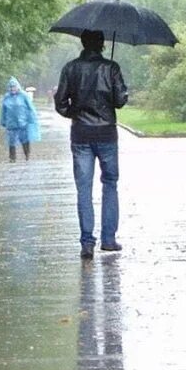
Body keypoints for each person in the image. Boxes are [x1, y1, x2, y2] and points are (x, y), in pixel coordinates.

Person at [54, 30, 129, 259]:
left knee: (84, 189)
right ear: (102, 45)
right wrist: (123, 93)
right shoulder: (112, 68)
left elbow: (60, 102)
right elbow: (119, 100)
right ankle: (108, 240)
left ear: (83, 43)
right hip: (106, 134)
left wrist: (76, 113)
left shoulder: (70, 68)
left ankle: (87, 243)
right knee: (110, 184)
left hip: (81, 135)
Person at [0, 77, 40, 162]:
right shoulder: (7, 97)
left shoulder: (23, 96)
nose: (12, 89)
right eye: (11, 87)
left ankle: (27, 154)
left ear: (18, 87)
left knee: (24, 139)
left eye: (14, 86)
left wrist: (32, 118)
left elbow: (30, 108)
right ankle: (12, 158)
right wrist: (3, 121)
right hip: (11, 123)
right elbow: (3, 110)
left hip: (23, 122)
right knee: (11, 141)